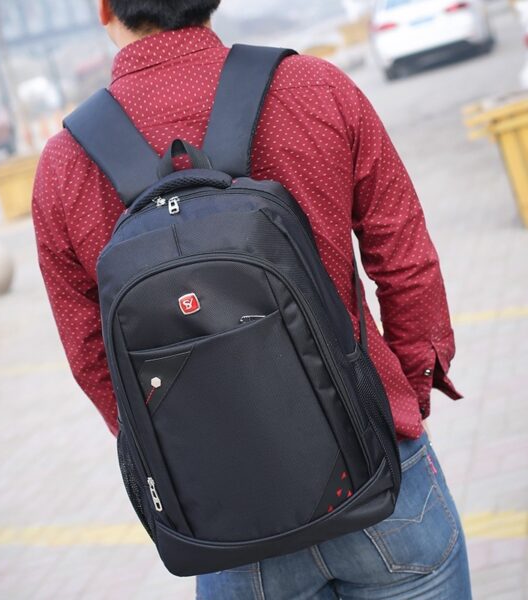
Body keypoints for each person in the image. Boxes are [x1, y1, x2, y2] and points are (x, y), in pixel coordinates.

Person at [32, 1, 472, 597]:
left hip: (224, 520)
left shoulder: (65, 165)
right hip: (378, 470)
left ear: (105, 8)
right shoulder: (313, 88)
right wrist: (401, 400)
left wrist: (183, 453)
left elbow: (91, 355)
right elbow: (404, 257)